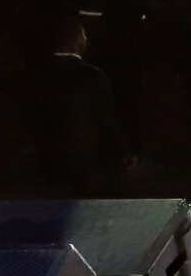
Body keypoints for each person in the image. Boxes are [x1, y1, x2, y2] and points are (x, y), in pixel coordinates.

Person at [27, 15, 121, 196]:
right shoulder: (92, 76)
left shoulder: (38, 77)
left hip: (46, 161)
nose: (86, 39)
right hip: (85, 164)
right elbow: (104, 119)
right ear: (77, 38)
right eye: (84, 34)